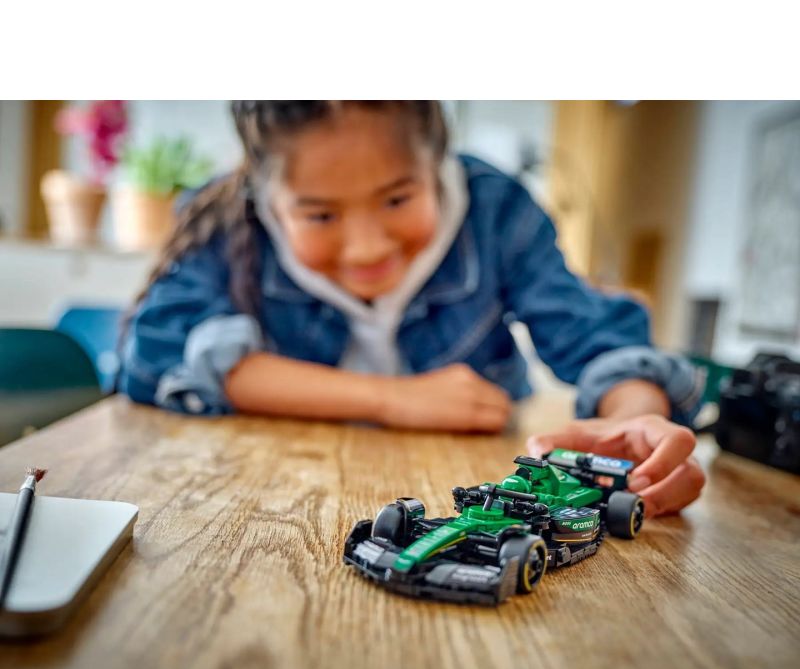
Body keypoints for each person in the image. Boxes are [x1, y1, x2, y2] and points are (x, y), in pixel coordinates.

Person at [119, 101, 706, 516]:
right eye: (320, 215)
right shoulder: (226, 219)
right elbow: (155, 356)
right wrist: (391, 398)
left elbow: (599, 339)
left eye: (398, 199)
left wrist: (634, 417)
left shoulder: (497, 212)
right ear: (266, 195)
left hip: (465, 476)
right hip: (275, 496)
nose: (367, 248)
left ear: (438, 162)